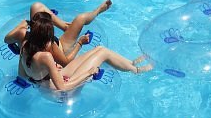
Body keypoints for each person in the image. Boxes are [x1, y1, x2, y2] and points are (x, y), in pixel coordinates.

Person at [18, 15, 152, 88]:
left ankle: (131, 63)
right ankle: (136, 70)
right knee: (103, 53)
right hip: (56, 88)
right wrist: (89, 73)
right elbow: (62, 88)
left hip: (49, 81)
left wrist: (42, 75)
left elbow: (22, 74)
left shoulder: (25, 45)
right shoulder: (45, 56)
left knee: (99, 49)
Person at [4, 0, 112, 64]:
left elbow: (6, 40)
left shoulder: (22, 34)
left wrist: (21, 25)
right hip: (62, 48)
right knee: (81, 18)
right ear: (50, 34)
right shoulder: (50, 46)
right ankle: (97, 11)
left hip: (37, 42)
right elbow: (66, 62)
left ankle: (65, 26)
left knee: (36, 6)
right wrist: (80, 43)